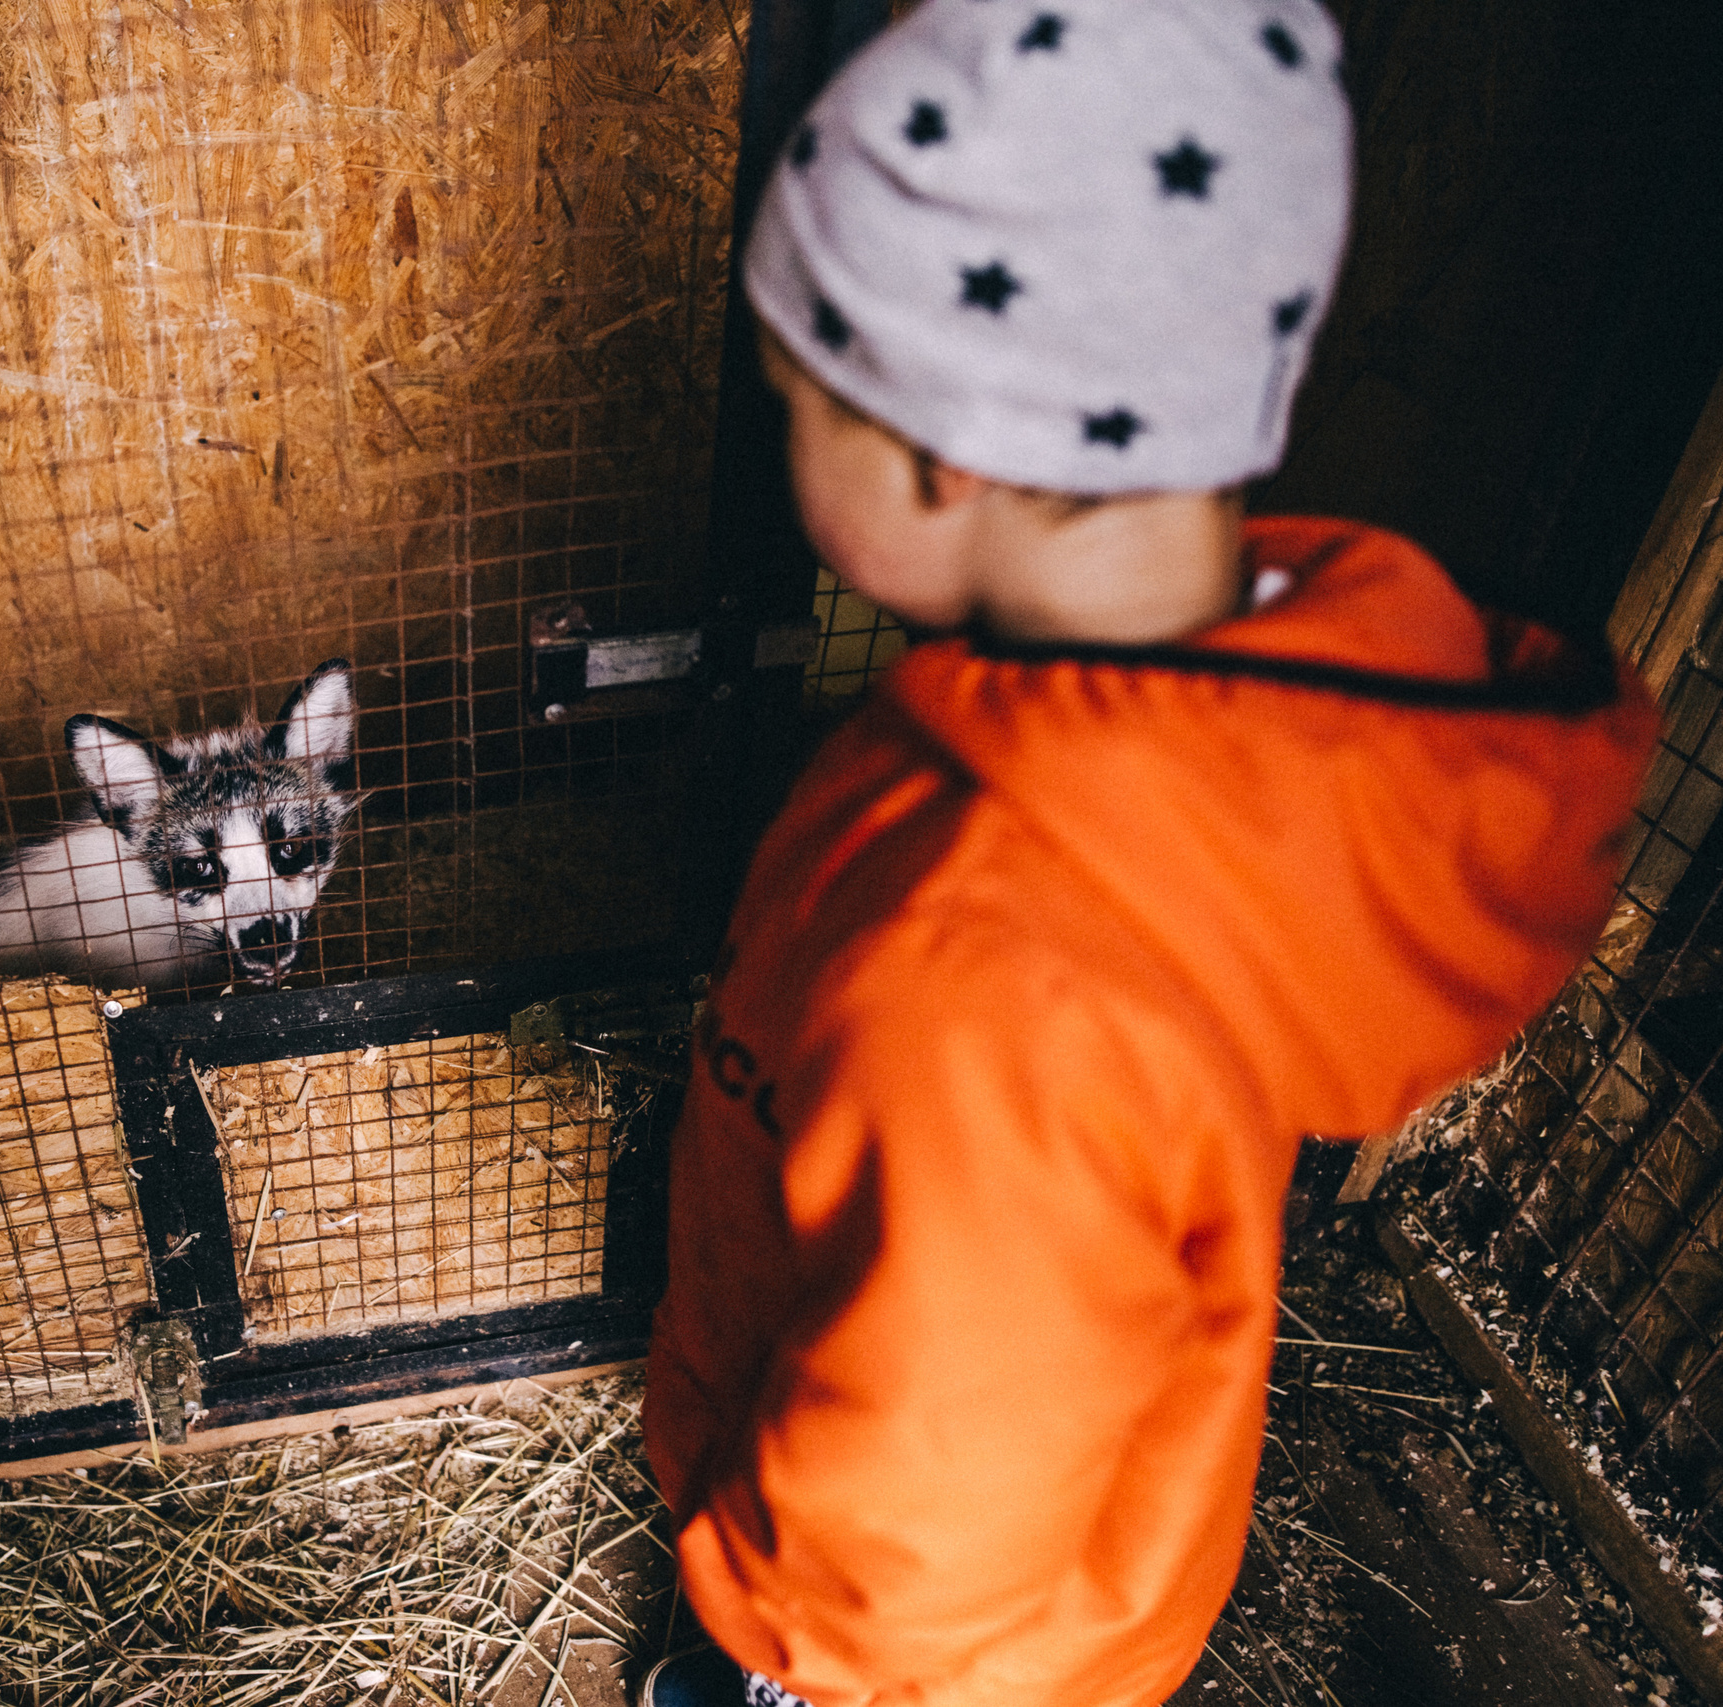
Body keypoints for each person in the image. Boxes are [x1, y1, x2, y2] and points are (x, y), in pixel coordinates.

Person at [639, 2, 1661, 1704]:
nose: (778, 428)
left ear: (937, 446)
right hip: (1047, 1570)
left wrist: (780, 1635)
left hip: (902, 1639)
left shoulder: (999, 970)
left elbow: (936, 1487)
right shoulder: (1228, 737)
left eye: (793, 398)